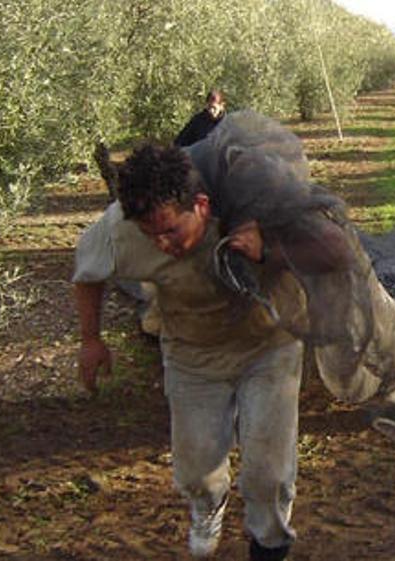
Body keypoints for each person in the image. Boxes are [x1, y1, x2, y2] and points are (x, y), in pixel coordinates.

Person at [73, 143, 351, 561]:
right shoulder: (121, 228)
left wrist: (268, 252)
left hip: (268, 346)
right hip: (192, 355)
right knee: (196, 470)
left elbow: (337, 252)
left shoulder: (258, 204)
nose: (162, 243)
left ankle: (270, 541)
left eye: (170, 230)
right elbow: (87, 272)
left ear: (201, 205)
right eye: (151, 235)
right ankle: (208, 505)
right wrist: (91, 340)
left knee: (268, 472)